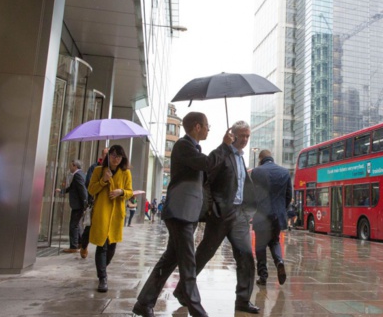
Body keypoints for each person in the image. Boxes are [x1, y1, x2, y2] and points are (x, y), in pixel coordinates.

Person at [133, 112, 233, 317]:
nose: (208, 129)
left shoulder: (194, 149)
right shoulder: (183, 146)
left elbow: (207, 172)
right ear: (197, 127)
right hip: (180, 213)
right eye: (206, 125)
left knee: (171, 259)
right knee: (188, 262)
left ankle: (144, 303)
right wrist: (223, 146)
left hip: (188, 213)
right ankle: (197, 309)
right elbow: (206, 164)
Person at [194, 120, 260, 314]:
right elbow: (206, 180)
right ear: (232, 135)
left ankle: (243, 300)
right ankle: (183, 289)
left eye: (248, 136)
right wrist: (212, 207)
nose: (245, 139)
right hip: (221, 213)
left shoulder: (240, 158)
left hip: (239, 214)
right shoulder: (221, 153)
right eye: (242, 135)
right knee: (205, 252)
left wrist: (247, 211)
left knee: (246, 256)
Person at [88, 144, 133, 293]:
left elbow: (130, 192)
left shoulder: (126, 173)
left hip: (116, 215)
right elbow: (91, 189)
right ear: (109, 156)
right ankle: (103, 278)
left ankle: (101, 269)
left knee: (111, 247)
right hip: (102, 212)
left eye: (119, 157)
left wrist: (121, 192)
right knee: (102, 245)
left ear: (122, 159)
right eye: (113, 155)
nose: (116, 159)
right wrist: (103, 181)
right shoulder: (99, 171)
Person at [251, 149, 292, 286]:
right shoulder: (284, 172)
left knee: (261, 245)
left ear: (260, 158)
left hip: (262, 214)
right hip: (277, 215)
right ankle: (279, 261)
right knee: (275, 241)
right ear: (271, 157)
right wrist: (281, 210)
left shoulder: (256, 172)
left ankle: (263, 276)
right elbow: (288, 196)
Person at [81, 148, 109, 259]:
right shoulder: (95, 168)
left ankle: (103, 250)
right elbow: (89, 184)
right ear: (102, 155)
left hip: (107, 204)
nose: (109, 156)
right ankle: (84, 246)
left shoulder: (115, 170)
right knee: (89, 227)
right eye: (106, 154)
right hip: (94, 202)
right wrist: (103, 179)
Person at [57, 160, 88, 253]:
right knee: (77, 225)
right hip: (79, 205)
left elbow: (82, 190)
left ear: (75, 166)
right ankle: (80, 243)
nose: (70, 168)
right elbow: (72, 188)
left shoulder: (78, 175)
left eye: (71, 165)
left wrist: (84, 204)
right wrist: (62, 191)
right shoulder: (80, 174)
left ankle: (74, 247)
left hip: (78, 205)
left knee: (73, 225)